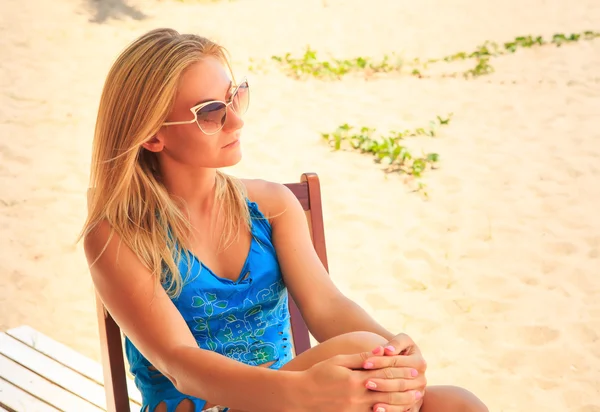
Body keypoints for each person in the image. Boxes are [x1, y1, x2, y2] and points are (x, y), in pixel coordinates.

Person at [81, 28, 488, 412]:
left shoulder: (271, 205)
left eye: (235, 97)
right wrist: (304, 390)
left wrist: (394, 350)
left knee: (457, 403)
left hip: (298, 399)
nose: (237, 120)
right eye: (211, 113)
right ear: (153, 136)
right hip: (225, 402)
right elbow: (179, 363)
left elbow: (326, 306)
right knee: (364, 358)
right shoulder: (118, 235)